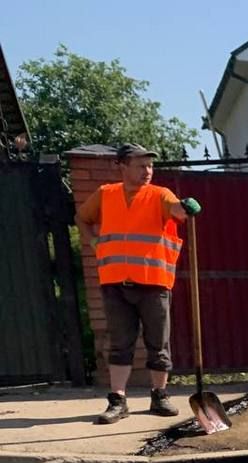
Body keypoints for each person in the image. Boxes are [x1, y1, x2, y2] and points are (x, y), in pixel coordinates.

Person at [75, 143, 201, 424]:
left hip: (154, 283)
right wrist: (93, 242)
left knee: (159, 343)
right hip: (115, 282)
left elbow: (175, 210)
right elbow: (82, 218)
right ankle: (118, 401)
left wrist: (184, 207)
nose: (147, 171)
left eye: (150, 165)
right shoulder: (105, 195)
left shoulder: (160, 195)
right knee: (120, 344)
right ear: (122, 166)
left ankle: (160, 395)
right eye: (140, 165)